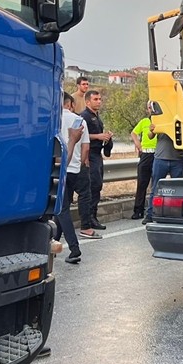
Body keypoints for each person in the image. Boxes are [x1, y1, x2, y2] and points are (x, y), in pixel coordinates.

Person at [54, 92, 87, 265]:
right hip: (74, 169)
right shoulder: (80, 121)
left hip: (59, 169)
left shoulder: (54, 120)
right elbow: (86, 147)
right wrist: (81, 164)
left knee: (61, 209)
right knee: (60, 209)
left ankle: (74, 249)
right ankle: (51, 244)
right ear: (70, 103)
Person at [80, 89, 113, 232]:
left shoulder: (97, 116)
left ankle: (93, 215)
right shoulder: (84, 117)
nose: (99, 101)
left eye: (100, 99)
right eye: (95, 99)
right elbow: (81, 135)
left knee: (98, 186)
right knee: (93, 186)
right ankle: (89, 219)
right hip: (90, 155)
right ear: (88, 101)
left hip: (98, 155)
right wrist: (98, 136)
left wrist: (106, 136)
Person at [143, 120, 183, 223]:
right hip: (160, 158)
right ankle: (150, 214)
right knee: (155, 187)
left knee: (178, 188)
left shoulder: (181, 118)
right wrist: (152, 130)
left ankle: (177, 214)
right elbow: (150, 136)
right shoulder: (161, 117)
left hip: (177, 158)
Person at [130, 101, 157, 219]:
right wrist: (138, 145)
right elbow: (134, 133)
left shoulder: (161, 122)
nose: (151, 110)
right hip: (146, 153)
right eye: (149, 108)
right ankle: (138, 210)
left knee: (156, 184)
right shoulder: (144, 122)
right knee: (142, 183)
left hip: (158, 154)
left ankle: (154, 210)